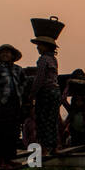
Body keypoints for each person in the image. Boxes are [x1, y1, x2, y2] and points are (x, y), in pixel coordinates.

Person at [27, 17, 64, 156]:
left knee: (42, 120)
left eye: (39, 45)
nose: (37, 47)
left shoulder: (43, 60)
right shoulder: (53, 59)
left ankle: (44, 149)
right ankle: (53, 147)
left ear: (45, 46)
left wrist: (32, 94)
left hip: (46, 93)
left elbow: (40, 79)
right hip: (55, 91)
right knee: (52, 120)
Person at [61, 70, 85, 148]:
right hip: (75, 139)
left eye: (81, 100)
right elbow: (63, 99)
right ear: (74, 102)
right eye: (77, 100)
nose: (79, 102)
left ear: (84, 102)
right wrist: (68, 86)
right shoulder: (72, 111)